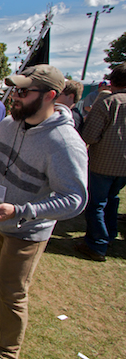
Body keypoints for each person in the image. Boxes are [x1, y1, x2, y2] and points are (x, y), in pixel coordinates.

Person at [0, 65, 88, 359]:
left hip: (27, 228)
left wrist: (23, 210)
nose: (14, 97)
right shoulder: (10, 123)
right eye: (14, 91)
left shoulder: (64, 142)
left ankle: (7, 352)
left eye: (23, 92)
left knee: (12, 290)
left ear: (50, 95)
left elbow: (75, 199)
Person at [76, 63, 126, 262]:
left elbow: (89, 136)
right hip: (123, 167)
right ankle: (110, 235)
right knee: (112, 199)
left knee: (96, 204)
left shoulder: (107, 103)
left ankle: (97, 244)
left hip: (103, 163)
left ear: (112, 81)